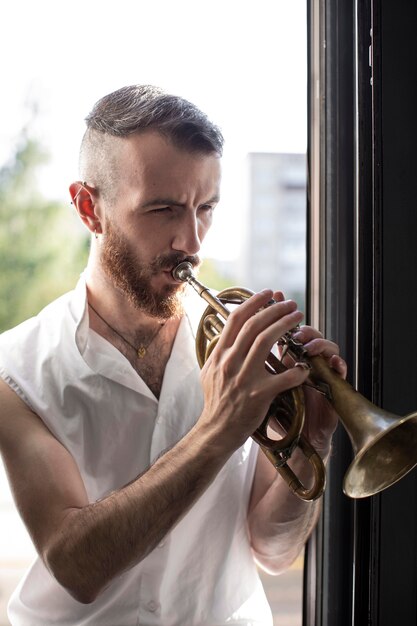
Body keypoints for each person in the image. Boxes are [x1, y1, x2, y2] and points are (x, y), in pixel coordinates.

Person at [0, 85, 346, 626]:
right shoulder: (14, 371)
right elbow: (76, 566)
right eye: (163, 209)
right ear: (90, 208)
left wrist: (313, 442)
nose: (192, 241)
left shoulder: (238, 349)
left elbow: (275, 551)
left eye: (205, 208)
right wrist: (221, 427)